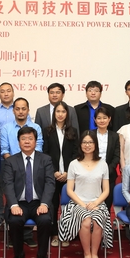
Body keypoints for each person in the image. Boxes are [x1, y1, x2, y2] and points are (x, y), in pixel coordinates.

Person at [2, 126, 55, 258]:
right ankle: (18, 254)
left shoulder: (45, 159)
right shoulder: (11, 161)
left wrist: (44, 204)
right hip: (19, 203)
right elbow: (8, 184)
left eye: (30, 138)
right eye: (23, 139)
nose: (27, 142)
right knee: (15, 221)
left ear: (35, 141)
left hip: (39, 202)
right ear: (18, 142)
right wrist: (13, 205)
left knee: (45, 220)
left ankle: (42, 254)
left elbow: (50, 183)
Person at [59, 131, 112, 258]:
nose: (87, 145)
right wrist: (83, 204)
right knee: (86, 220)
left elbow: (106, 190)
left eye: (90, 142)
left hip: (97, 203)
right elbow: (69, 190)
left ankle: (95, 254)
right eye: (84, 142)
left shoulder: (103, 164)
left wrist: (95, 203)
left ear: (95, 144)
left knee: (98, 220)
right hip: (77, 203)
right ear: (80, 144)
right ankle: (87, 254)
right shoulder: (73, 164)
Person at [0, 97, 43, 247]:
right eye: (17, 109)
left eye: (24, 108)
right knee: (15, 200)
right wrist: (16, 164)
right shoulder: (6, 128)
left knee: (31, 199)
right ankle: (15, 236)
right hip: (12, 169)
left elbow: (39, 147)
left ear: (28, 110)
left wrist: (27, 163)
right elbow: (4, 150)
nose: (20, 111)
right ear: (13, 111)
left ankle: (28, 235)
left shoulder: (36, 127)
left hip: (33, 166)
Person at [42, 101, 79, 248]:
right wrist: (53, 171)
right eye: (58, 111)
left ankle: (66, 234)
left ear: (67, 114)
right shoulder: (47, 131)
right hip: (52, 175)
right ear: (54, 114)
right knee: (53, 205)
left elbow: (76, 153)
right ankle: (54, 234)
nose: (60, 114)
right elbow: (45, 153)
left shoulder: (73, 131)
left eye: (63, 111)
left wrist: (68, 172)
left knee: (68, 207)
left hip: (69, 175)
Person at [90, 106, 120, 209]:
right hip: (91, 174)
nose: (102, 120)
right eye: (99, 118)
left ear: (109, 119)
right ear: (95, 119)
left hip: (109, 175)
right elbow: (86, 153)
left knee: (107, 205)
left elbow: (117, 156)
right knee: (92, 204)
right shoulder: (90, 134)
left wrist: (107, 170)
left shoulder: (115, 136)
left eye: (104, 117)